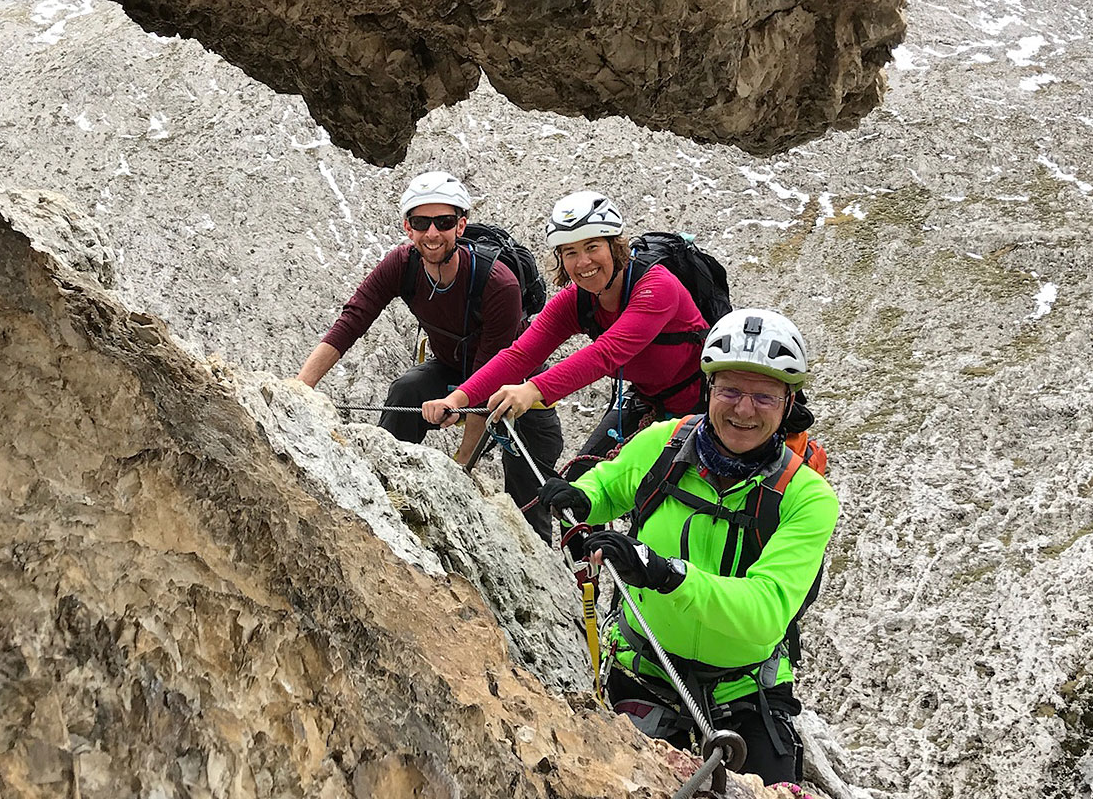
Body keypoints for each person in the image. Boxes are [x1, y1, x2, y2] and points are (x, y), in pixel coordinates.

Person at [532, 308, 838, 786]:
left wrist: (665, 574)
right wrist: (580, 496)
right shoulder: (663, 443)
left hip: (747, 686)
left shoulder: (807, 497)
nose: (743, 410)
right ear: (709, 389)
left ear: (788, 402)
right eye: (731, 391)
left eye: (763, 396)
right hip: (646, 670)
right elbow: (610, 484)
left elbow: (765, 611)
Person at [297, 171, 564, 535]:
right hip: (453, 367)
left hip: (518, 387)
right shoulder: (402, 265)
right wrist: (301, 386)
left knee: (528, 505)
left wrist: (460, 467)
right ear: (408, 227)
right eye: (422, 222)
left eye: (444, 222)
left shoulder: (498, 284)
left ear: (461, 226)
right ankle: (380, 487)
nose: (433, 233)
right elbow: (354, 319)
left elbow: (491, 374)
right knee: (407, 390)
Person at [421, 190, 709, 478]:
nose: (583, 262)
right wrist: (458, 399)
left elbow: (605, 354)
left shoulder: (657, 288)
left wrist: (532, 390)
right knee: (578, 486)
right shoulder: (578, 300)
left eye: (592, 247)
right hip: (645, 400)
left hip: (700, 407)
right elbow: (521, 355)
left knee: (652, 495)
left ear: (614, 246)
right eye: (570, 252)